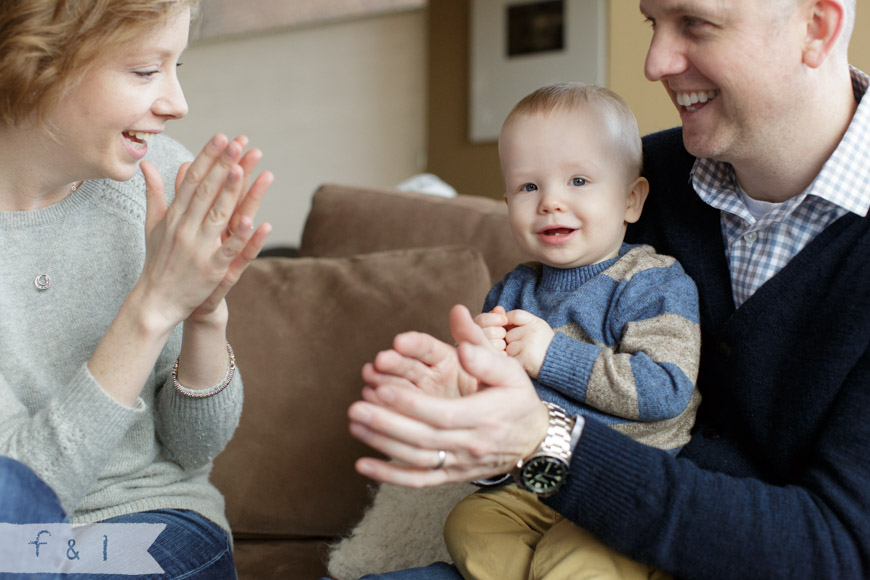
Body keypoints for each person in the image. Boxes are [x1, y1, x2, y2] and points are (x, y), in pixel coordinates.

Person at [347, 0, 870, 578]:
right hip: (552, 522)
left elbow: (839, 548)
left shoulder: (635, 208)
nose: (654, 62)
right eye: (652, 23)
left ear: (817, 27)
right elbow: (527, 438)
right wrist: (474, 424)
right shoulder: (644, 176)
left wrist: (541, 437)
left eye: (695, 23)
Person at [0, 0, 273, 577]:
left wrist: (204, 314)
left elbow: (193, 449)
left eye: (177, 68)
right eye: (147, 70)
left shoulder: (161, 182)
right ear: (35, 62)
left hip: (156, 521)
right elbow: (18, 502)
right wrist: (152, 305)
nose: (177, 103)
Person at [441, 82, 700, 580]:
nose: (550, 202)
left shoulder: (654, 281)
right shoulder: (511, 291)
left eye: (578, 181)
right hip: (533, 482)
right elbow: (491, 421)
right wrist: (471, 374)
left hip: (624, 481)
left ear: (631, 199)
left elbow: (666, 389)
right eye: (528, 186)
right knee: (468, 524)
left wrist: (550, 355)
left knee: (574, 559)